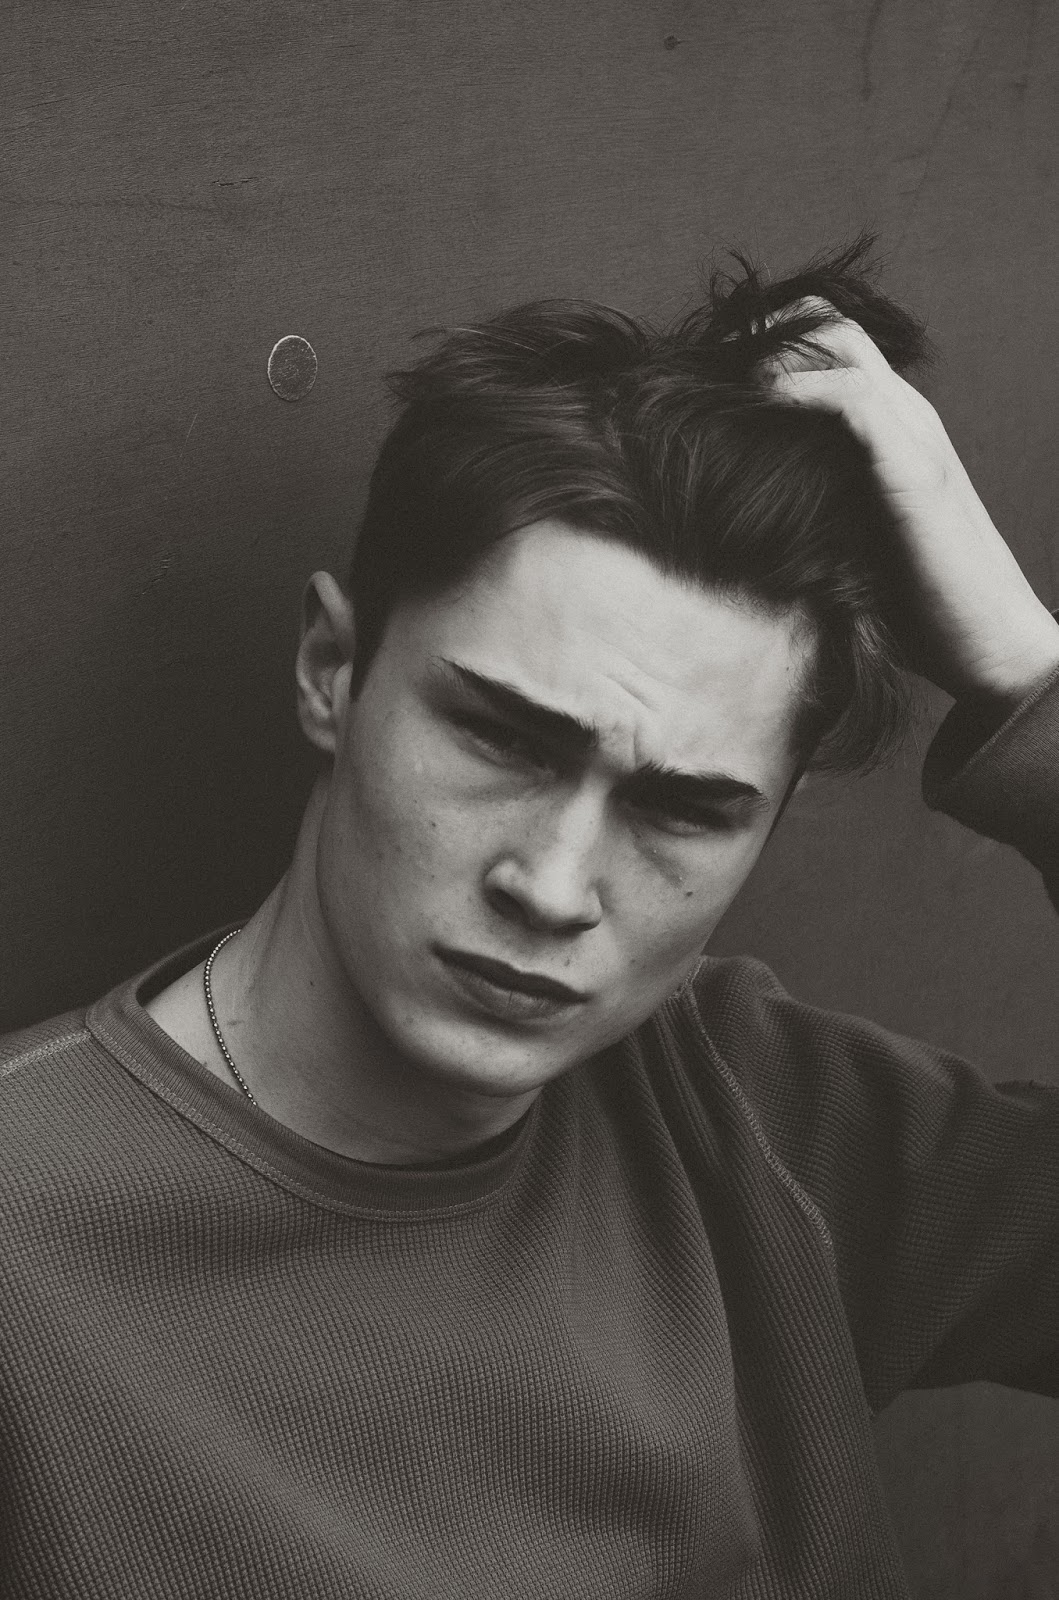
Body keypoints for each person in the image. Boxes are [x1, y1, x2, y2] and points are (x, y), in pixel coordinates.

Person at [2, 239, 1056, 1600]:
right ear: (333, 671)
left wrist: (1031, 681)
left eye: (683, 809)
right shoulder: (30, 1246)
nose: (554, 887)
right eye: (503, 739)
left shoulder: (762, 1121)